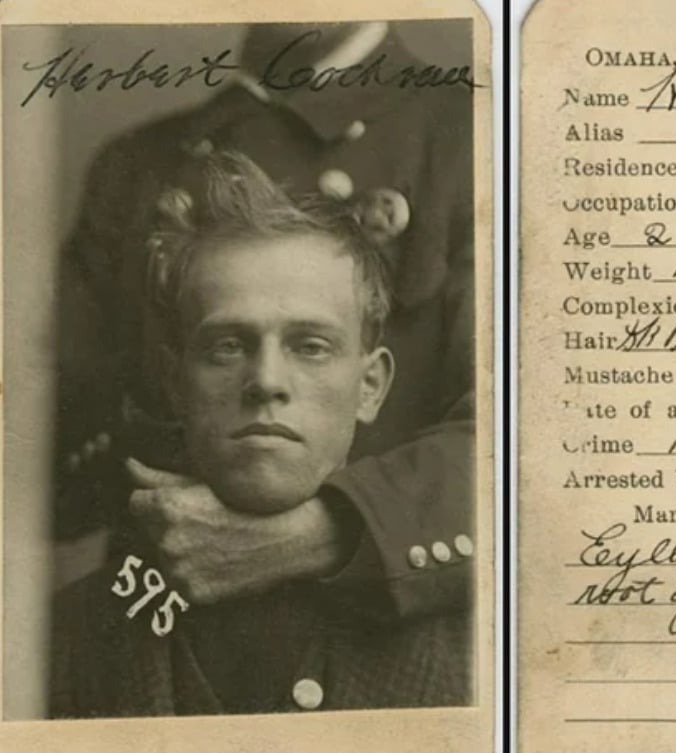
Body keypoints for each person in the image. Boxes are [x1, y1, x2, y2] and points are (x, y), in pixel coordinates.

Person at [54, 21, 477, 617]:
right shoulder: (137, 167)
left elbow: (540, 444)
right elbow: (46, 456)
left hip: (379, 635)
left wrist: (323, 531)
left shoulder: (470, 133)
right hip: (156, 639)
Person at [50, 152, 471, 717]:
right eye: (227, 346)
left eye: (311, 346)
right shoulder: (59, 642)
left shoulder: (480, 643)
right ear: (175, 383)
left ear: (370, 386)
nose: (266, 382)